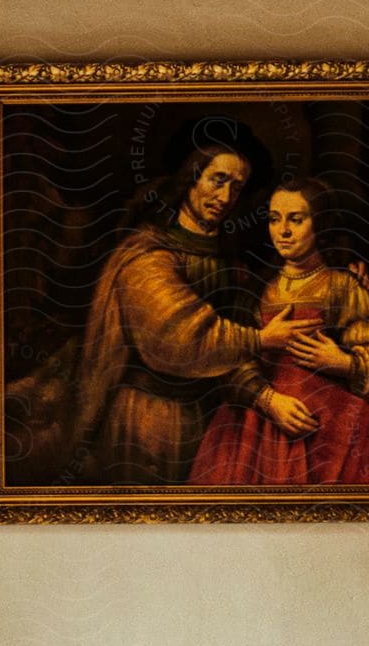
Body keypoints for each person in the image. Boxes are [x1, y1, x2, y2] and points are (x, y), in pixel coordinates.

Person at [70, 142, 319, 486]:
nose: (226, 195)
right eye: (217, 179)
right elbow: (183, 336)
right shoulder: (148, 256)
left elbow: (239, 338)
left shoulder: (230, 264)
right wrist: (260, 339)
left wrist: (265, 397)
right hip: (149, 418)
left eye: (237, 186)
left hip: (208, 417)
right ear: (191, 178)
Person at [188, 176, 369, 486]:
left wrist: (343, 362)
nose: (283, 231)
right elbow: (231, 358)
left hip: (331, 431)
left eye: (296, 220)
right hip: (259, 425)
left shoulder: (341, 287)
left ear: (320, 225)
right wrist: (268, 400)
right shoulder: (256, 290)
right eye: (275, 219)